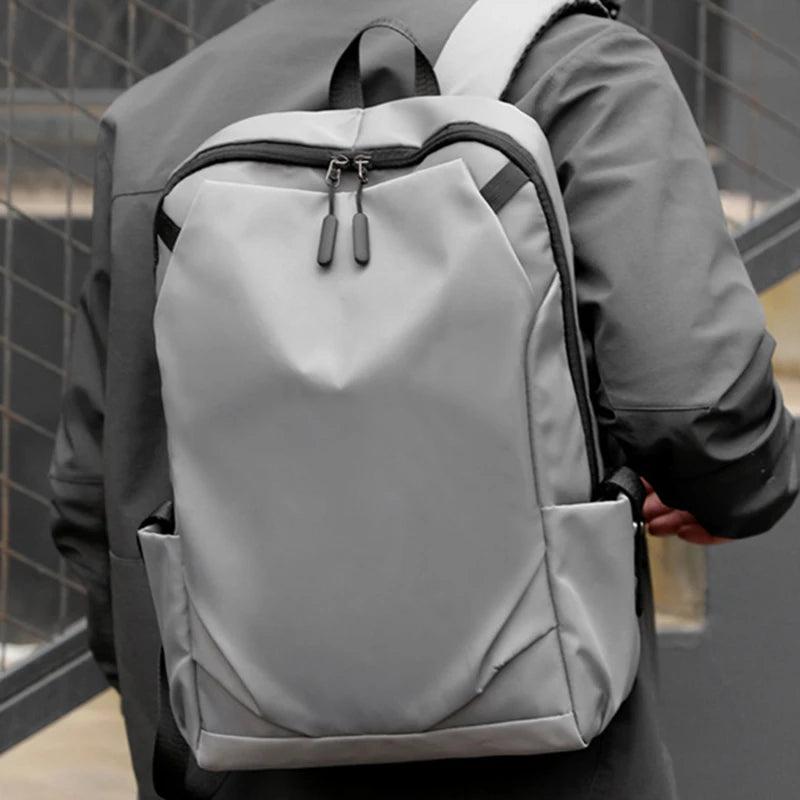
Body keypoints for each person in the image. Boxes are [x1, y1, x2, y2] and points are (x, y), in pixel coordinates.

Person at [49, 2, 798, 798]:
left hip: (237, 751)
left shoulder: (155, 116)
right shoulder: (580, 70)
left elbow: (94, 493)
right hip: (528, 742)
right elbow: (698, 408)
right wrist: (738, 485)